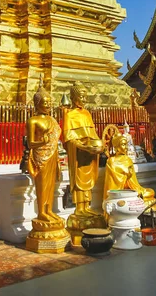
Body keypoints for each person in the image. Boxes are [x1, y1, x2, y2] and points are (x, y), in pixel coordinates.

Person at [63, 82, 103, 218]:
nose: (85, 100)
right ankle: (80, 207)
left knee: (88, 181)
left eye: (86, 97)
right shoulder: (69, 115)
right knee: (79, 181)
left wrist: (100, 145)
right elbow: (69, 139)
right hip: (78, 153)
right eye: (82, 97)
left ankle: (87, 206)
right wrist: (83, 146)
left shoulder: (86, 114)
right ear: (74, 98)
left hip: (89, 152)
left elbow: (93, 134)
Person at [26, 83, 62, 223]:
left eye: (49, 102)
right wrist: (42, 142)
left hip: (52, 154)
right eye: (45, 102)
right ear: (37, 103)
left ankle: (49, 210)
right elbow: (30, 144)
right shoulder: (33, 120)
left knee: (51, 184)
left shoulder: (51, 120)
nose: (48, 105)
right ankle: (41, 212)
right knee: (42, 185)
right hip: (41, 156)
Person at [103, 133, 155, 207]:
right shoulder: (111, 161)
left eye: (126, 144)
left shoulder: (128, 160)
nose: (126, 147)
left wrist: (129, 177)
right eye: (123, 145)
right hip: (118, 194)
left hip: (132, 189)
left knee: (150, 192)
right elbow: (111, 186)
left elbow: (134, 184)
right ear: (117, 147)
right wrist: (126, 176)